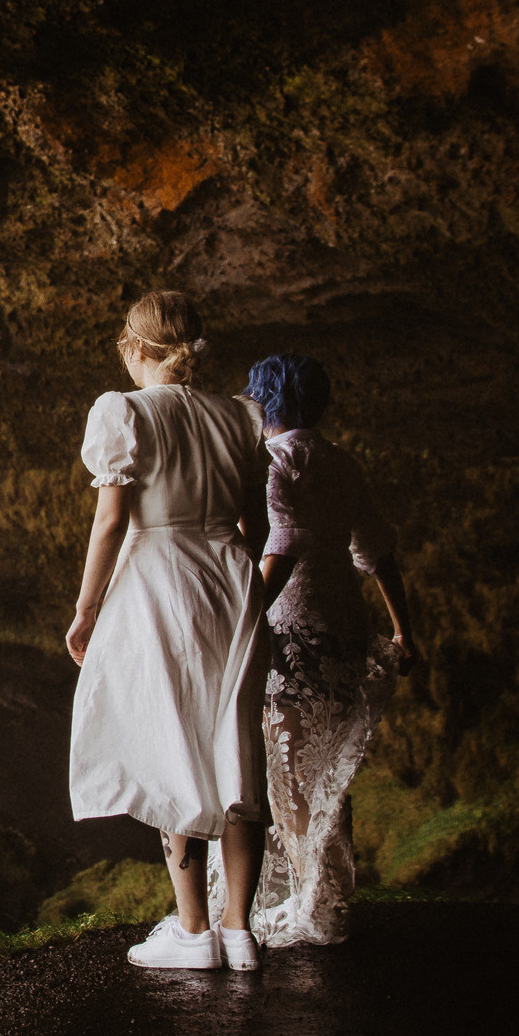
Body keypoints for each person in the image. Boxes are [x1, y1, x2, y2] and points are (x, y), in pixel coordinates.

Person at [65, 291, 274, 971]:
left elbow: (111, 522)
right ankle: (239, 930)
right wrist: (243, 583)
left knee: (171, 742)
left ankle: (193, 930)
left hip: (162, 578)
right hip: (233, 580)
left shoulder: (124, 412)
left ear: (135, 348)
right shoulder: (240, 416)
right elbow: (256, 526)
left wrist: (87, 609)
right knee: (235, 747)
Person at [218, 351, 414, 947]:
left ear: (265, 401)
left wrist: (247, 612)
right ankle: (323, 897)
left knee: (286, 767)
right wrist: (404, 630)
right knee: (324, 771)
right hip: (343, 623)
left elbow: (283, 544)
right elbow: (377, 551)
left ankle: (313, 904)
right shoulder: (340, 461)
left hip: (291, 628)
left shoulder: (276, 461)